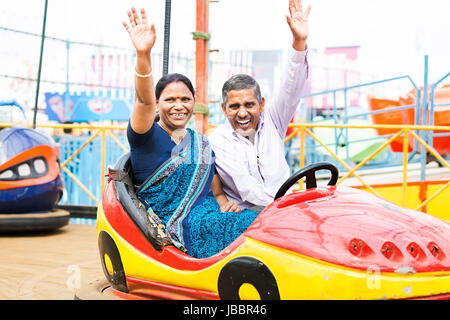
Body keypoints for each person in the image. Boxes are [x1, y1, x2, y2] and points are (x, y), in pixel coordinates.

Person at [122, 7, 258, 259]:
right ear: (158, 103)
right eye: (169, 99)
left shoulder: (201, 143)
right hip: (175, 226)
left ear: (194, 102)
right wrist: (144, 54)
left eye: (185, 99)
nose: (178, 106)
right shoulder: (145, 136)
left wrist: (225, 204)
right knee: (250, 229)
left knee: (257, 219)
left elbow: (216, 193)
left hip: (210, 215)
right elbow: (142, 101)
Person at [209, 0, 311, 211]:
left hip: (285, 208)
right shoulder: (219, 140)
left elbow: (291, 88)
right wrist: (287, 207)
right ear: (224, 109)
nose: (242, 113)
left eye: (249, 104)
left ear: (261, 104)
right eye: (235, 106)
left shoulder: (273, 121)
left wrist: (298, 42)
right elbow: (248, 189)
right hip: (252, 217)